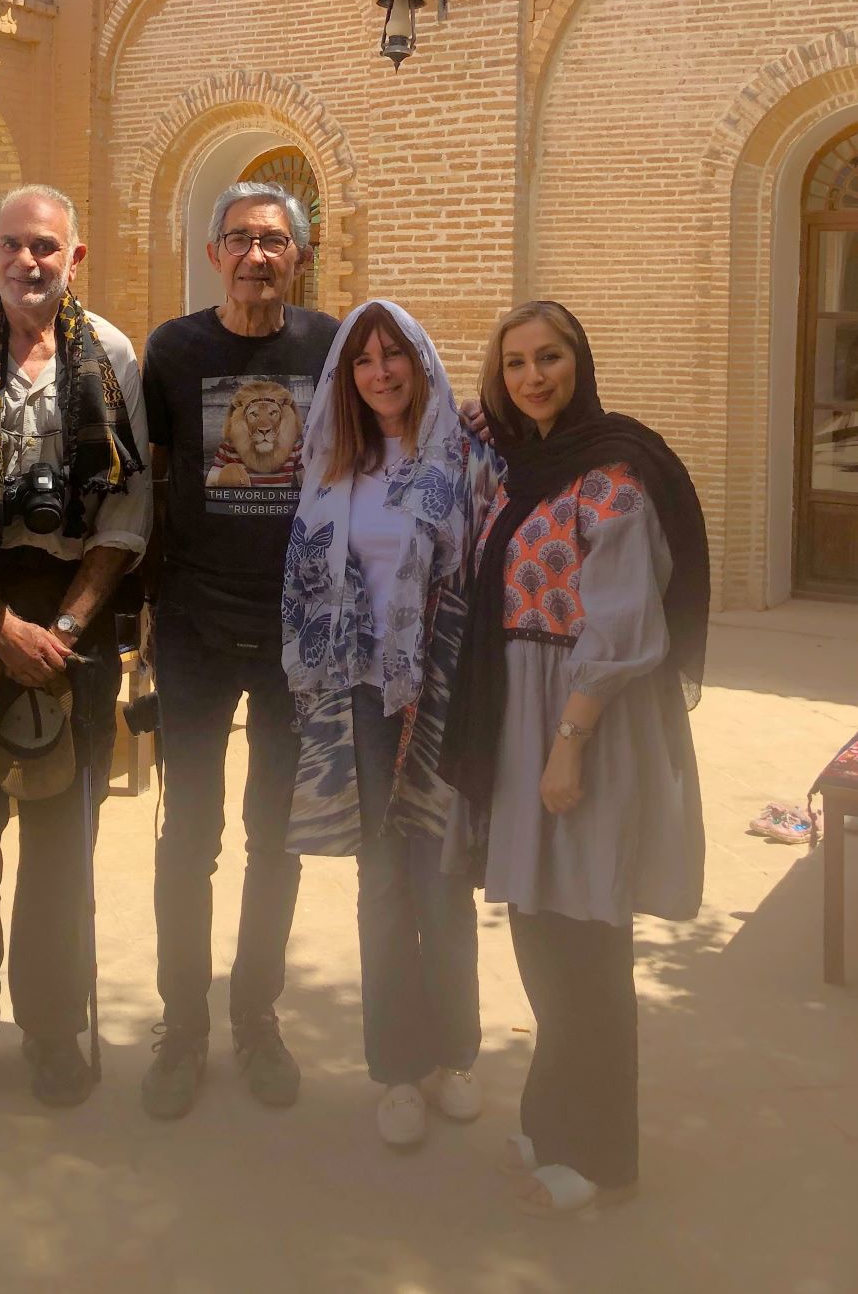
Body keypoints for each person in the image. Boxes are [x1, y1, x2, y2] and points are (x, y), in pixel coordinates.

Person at [439, 300, 710, 1216]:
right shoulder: (525, 472)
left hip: (581, 726)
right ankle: (554, 1121)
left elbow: (626, 626)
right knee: (540, 933)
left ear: (578, 360)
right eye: (513, 363)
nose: (531, 377)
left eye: (548, 357)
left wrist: (568, 747)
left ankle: (602, 1158)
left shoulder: (615, 476)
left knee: (588, 944)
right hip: (523, 722)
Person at [0, 183, 150, 1114]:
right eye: (10, 245)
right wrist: (0, 629)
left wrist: (66, 630)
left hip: (71, 617)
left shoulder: (112, 354)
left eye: (45, 247)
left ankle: (51, 1033)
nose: (27, 263)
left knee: (60, 851)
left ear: (73, 257)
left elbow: (127, 517)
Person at [139, 180, 339, 1119]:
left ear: (297, 255)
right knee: (189, 837)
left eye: (274, 240)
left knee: (274, 837)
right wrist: (141, 617)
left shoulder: (328, 345)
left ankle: (256, 1018)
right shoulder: (175, 351)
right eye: (239, 240)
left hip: (294, 632)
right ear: (215, 252)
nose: (256, 256)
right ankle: (182, 1028)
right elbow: (150, 481)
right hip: (193, 628)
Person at [283, 300, 498, 1148]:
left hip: (442, 694)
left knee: (441, 879)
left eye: (393, 356)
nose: (379, 371)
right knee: (382, 885)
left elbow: (489, 558)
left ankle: (455, 1056)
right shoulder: (332, 462)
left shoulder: (466, 452)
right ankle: (397, 1070)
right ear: (346, 373)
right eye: (362, 359)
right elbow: (304, 574)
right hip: (360, 698)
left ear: (417, 363)